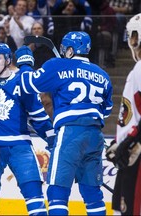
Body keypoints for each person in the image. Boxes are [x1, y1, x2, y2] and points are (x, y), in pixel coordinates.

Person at [18, 31, 113, 215]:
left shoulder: (57, 65)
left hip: (71, 132)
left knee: (57, 192)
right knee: (92, 192)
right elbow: (107, 111)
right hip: (95, 135)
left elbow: (28, 85)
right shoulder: (102, 74)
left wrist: (25, 64)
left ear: (69, 50)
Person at [0, 43, 55, 216]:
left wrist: (52, 138)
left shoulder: (22, 81)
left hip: (19, 146)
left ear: (8, 59)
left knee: (34, 192)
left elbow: (38, 116)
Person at [105, 13, 141, 215]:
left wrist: (132, 140)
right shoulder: (137, 68)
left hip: (136, 155)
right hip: (130, 151)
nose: (131, 41)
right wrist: (120, 141)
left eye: (134, 35)